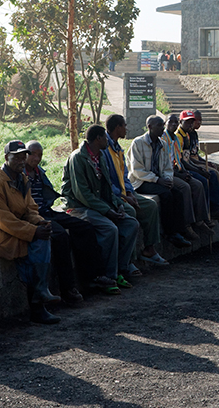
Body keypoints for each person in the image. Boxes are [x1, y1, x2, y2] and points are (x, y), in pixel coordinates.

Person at [0, 140, 61, 324]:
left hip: (15, 227)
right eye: (17, 157)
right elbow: (3, 219)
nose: (22, 160)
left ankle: (40, 297)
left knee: (44, 237)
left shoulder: (21, 178)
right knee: (33, 247)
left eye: (24, 156)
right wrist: (33, 231)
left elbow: (30, 209)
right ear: (6, 158)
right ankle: (39, 301)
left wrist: (40, 222)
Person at [62, 125, 141, 293]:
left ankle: (121, 268)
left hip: (98, 205)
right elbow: (81, 194)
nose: (107, 140)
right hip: (79, 207)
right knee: (109, 228)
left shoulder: (100, 157)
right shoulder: (78, 158)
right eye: (105, 137)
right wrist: (107, 211)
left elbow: (107, 188)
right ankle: (108, 275)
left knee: (131, 223)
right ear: (98, 139)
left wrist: (118, 205)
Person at [103, 114, 171, 270]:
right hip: (113, 196)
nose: (127, 128)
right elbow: (107, 181)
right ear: (117, 127)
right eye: (124, 125)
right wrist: (123, 195)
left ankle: (149, 249)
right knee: (130, 213)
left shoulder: (117, 147)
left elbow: (125, 174)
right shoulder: (104, 149)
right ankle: (128, 261)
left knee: (151, 206)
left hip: (125, 192)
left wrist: (130, 192)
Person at [22, 140, 85, 306]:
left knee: (83, 226)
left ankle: (91, 278)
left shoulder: (39, 172)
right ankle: (68, 289)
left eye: (40, 155)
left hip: (47, 211)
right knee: (60, 236)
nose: (36, 158)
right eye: (32, 154)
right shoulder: (20, 175)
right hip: (35, 216)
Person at [130, 114, 205, 246]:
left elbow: (167, 167)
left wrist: (168, 179)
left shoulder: (162, 144)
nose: (162, 128)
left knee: (178, 192)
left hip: (158, 180)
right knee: (166, 194)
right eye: (159, 126)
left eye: (162, 125)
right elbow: (137, 170)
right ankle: (170, 233)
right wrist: (157, 180)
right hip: (141, 182)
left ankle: (180, 230)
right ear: (149, 127)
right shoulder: (138, 143)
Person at [178, 110, 219, 217]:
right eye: (195, 121)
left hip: (196, 160)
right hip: (191, 163)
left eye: (199, 121)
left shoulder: (193, 134)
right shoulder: (183, 135)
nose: (198, 123)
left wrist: (207, 162)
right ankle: (215, 208)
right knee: (214, 174)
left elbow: (196, 153)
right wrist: (200, 165)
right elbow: (187, 158)